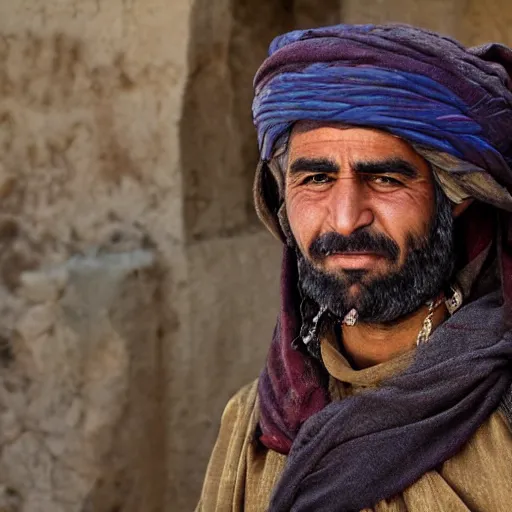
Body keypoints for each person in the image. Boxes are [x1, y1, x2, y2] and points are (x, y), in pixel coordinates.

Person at [197, 23, 512, 512]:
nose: (346, 218)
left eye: (385, 178)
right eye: (317, 179)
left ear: (455, 197)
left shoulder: (501, 414)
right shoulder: (257, 424)